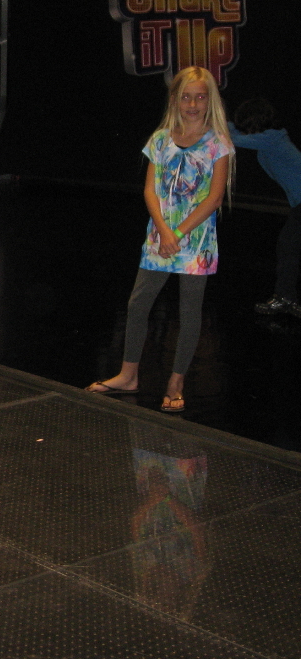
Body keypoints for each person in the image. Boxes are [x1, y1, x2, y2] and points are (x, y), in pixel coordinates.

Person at [86, 66, 234, 413]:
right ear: (175, 99)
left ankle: (176, 380)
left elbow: (213, 198)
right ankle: (128, 374)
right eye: (186, 96)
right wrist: (164, 231)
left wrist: (179, 233)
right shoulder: (161, 139)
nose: (193, 104)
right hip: (160, 238)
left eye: (200, 97)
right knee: (138, 303)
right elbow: (149, 189)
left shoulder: (218, 144)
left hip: (194, 243)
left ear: (209, 100)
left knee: (189, 311)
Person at [228, 98, 301, 318]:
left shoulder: (271, 140)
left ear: (255, 123)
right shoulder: (271, 139)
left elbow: (232, 138)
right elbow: (233, 131)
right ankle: (286, 297)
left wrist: (213, 120)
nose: (246, 130)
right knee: (289, 247)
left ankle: (285, 298)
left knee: (288, 246)